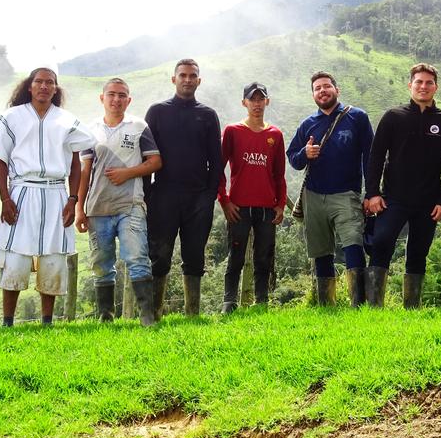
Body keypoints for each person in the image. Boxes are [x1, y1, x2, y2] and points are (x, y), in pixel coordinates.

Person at [0, 67, 95, 326]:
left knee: (53, 256)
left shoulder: (66, 120)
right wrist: (5, 198)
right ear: (29, 87)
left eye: (49, 82)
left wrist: (73, 199)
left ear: (55, 88)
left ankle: (47, 321)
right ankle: (7, 320)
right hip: (21, 191)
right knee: (16, 256)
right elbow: (0, 159)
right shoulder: (12, 118)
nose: (44, 86)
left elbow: (75, 163)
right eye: (39, 81)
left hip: (56, 193)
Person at [365, 63, 441, 308]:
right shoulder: (392, 116)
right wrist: (373, 193)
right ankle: (374, 306)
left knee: (419, 251)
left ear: (436, 87)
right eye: (419, 82)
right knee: (382, 242)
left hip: (429, 201)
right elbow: (376, 156)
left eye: (429, 83)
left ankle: (412, 306)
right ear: (410, 85)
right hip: (393, 198)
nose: (423, 87)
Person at [75, 78, 162, 325]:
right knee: (102, 263)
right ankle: (105, 317)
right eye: (111, 94)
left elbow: (155, 162)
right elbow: (84, 171)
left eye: (122, 95)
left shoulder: (138, 126)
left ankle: (147, 317)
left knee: (137, 257)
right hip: (98, 207)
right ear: (102, 98)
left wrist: (128, 173)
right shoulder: (89, 130)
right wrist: (80, 208)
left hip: (130, 203)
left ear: (129, 100)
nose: (116, 99)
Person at [287, 71, 373, 306]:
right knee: (321, 249)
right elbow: (293, 159)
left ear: (337, 89)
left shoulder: (357, 117)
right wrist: (305, 153)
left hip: (347, 194)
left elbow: (370, 157)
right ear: (313, 94)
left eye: (327, 86)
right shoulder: (308, 124)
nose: (322, 91)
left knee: (353, 243)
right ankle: (327, 304)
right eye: (317, 88)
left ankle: (359, 304)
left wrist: (371, 193)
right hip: (313, 195)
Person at [144, 59, 222, 317]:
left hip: (199, 198)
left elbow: (217, 159)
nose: (187, 80)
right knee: (159, 255)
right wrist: (146, 195)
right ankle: (154, 312)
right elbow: (144, 156)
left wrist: (210, 195)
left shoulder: (208, 115)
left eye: (193, 76)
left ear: (199, 80)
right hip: (163, 194)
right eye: (183, 75)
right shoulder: (157, 112)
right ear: (173, 79)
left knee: (194, 255)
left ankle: (193, 313)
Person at [217, 83, 286, 313]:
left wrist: (280, 204)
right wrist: (224, 200)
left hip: (266, 207)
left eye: (260, 99)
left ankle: (262, 302)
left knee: (264, 257)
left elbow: (279, 174)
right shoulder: (233, 131)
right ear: (244, 103)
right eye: (252, 99)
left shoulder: (275, 134)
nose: (256, 104)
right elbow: (219, 168)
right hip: (239, 206)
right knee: (235, 255)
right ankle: (229, 302)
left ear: (267, 101)